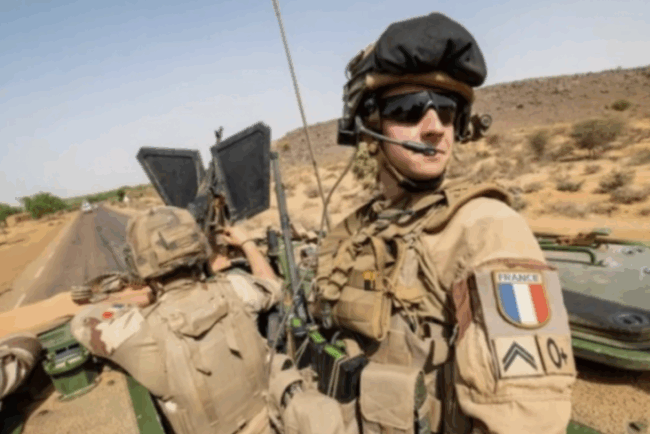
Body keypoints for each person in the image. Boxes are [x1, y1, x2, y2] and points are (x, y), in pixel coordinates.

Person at [314, 12, 576, 434]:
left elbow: (527, 420)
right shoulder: (360, 224)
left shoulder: (487, 227)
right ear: (369, 126)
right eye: (408, 109)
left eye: (448, 111)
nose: (435, 128)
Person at [70, 206, 345, 434]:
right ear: (199, 247)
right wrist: (247, 243)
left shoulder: (139, 330)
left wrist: (138, 299)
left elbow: (82, 322)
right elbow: (271, 285)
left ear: (138, 265)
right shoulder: (236, 289)